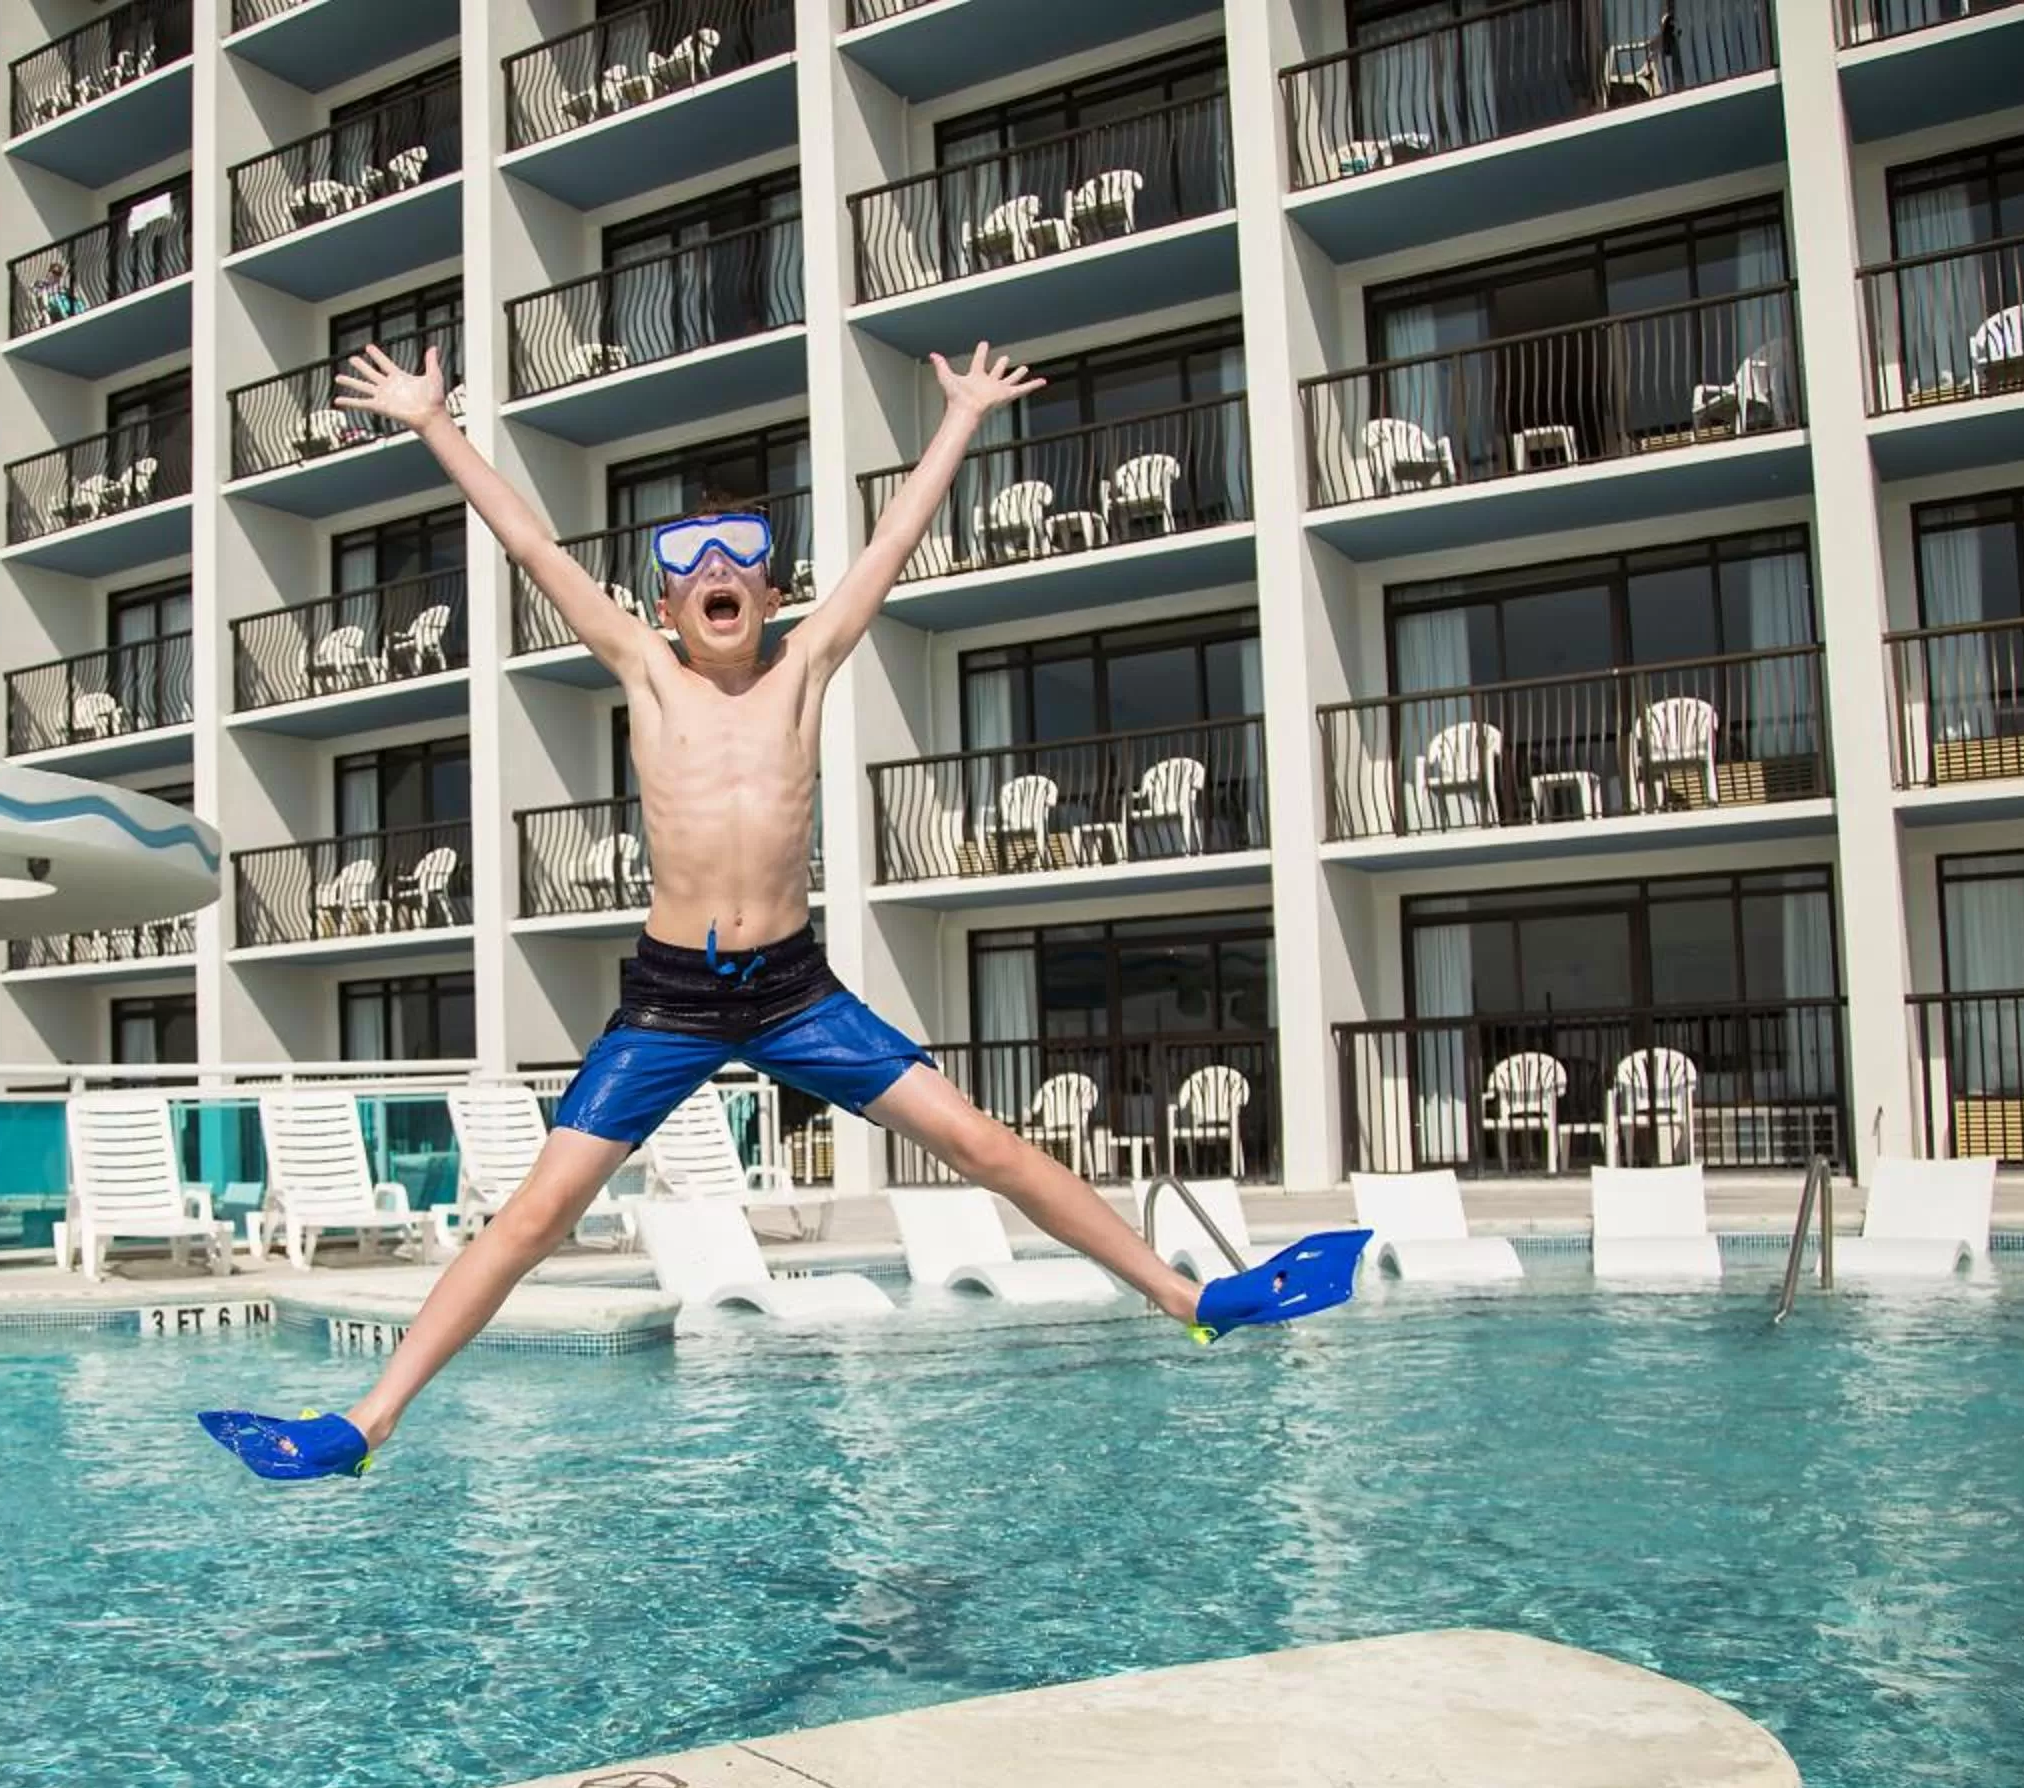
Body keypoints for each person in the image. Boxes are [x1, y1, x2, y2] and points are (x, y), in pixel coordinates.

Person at [202, 341, 1363, 1482]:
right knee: (536, 1214)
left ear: (772, 587)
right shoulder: (646, 670)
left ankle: (1188, 1295)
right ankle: (367, 1420)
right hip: (672, 1000)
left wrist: (960, 416)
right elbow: (528, 543)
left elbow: (893, 542)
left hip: (796, 989)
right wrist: (433, 424)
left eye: (743, 554)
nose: (717, 568)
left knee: (981, 1141)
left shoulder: (805, 666)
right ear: (664, 598)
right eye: (690, 557)